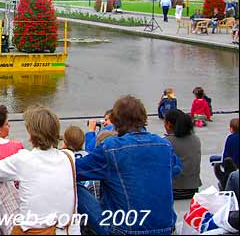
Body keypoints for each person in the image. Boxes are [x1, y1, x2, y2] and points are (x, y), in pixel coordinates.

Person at [75, 95, 181, 235]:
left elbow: (73, 170)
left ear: (116, 122)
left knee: (75, 186)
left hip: (125, 230)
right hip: (166, 228)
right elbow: (176, 168)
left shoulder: (111, 148)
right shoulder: (164, 145)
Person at [0, 105, 77, 235]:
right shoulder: (69, 157)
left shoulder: (24, 159)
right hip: (67, 230)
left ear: (31, 134)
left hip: (35, 231)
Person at [163, 109, 202, 200]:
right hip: (193, 189)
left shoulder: (166, 142)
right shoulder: (196, 139)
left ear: (168, 124)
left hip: (173, 191)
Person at [211, 118, 240, 190]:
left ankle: (224, 179)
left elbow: (226, 154)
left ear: (231, 129)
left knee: (225, 161)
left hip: (234, 164)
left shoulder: (230, 138)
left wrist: (223, 163)